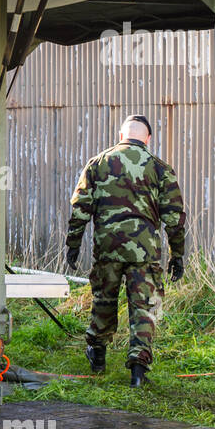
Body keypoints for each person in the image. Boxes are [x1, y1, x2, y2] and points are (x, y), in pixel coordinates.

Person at [65, 114, 186, 388]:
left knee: (104, 299)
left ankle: (97, 354)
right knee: (143, 306)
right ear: (148, 138)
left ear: (121, 136)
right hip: (144, 252)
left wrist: (72, 245)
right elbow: (174, 217)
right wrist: (177, 254)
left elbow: (80, 210)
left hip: (107, 248)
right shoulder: (159, 168)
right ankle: (138, 371)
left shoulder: (98, 163)